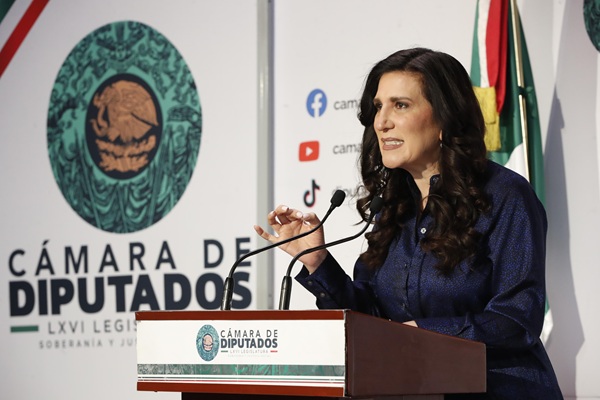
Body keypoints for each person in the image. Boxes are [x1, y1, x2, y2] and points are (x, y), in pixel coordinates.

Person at [254, 48, 562, 399]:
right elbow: (371, 320)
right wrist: (318, 262)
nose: (381, 121)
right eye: (378, 107)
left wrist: (421, 334)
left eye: (400, 105)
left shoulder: (505, 196)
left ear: (445, 117)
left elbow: (517, 320)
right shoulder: (394, 207)